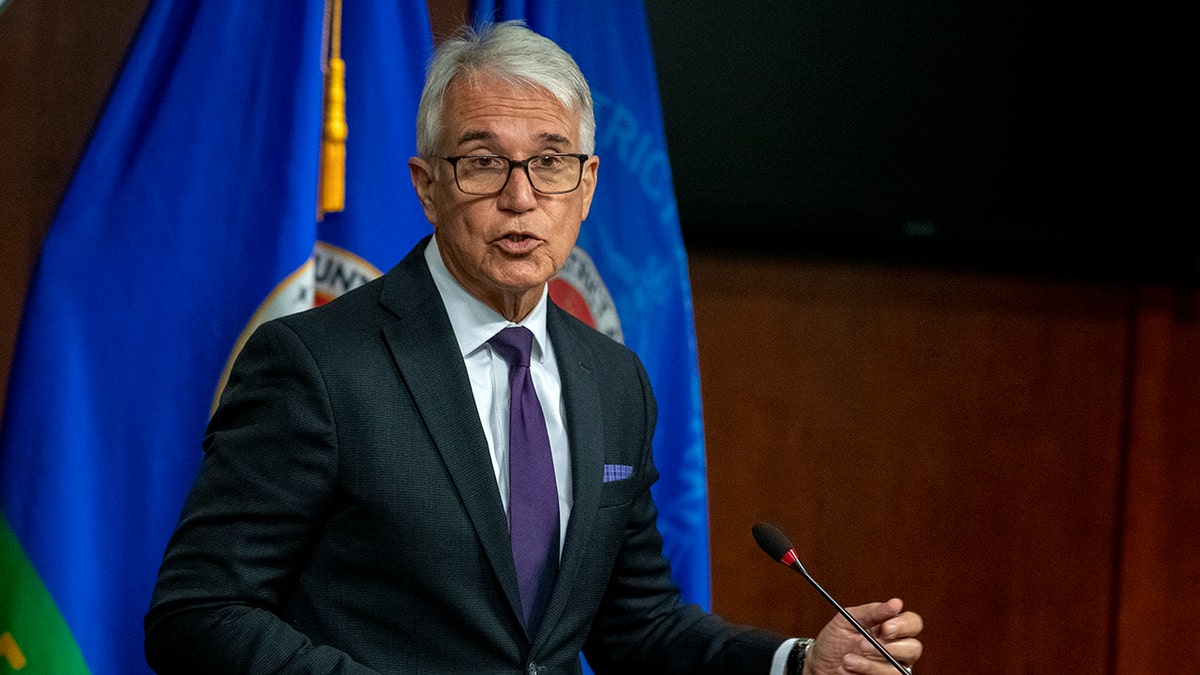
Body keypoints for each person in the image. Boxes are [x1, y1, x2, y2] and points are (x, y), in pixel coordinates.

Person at [144, 20, 923, 675]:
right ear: (427, 184)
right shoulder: (316, 366)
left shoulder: (614, 381)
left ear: (585, 185)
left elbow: (637, 624)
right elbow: (198, 610)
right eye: (483, 162)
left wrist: (797, 660)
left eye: (549, 162)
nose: (521, 197)